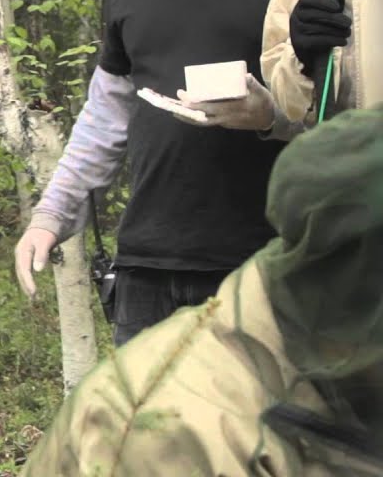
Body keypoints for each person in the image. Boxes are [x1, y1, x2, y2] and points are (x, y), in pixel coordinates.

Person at [13, 0, 301, 345]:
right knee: (145, 434)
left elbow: (345, 100)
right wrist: (51, 215)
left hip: (270, 264)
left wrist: (271, 112)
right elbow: (109, 111)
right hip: (148, 270)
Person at [22, 104, 383, 476]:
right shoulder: (175, 429)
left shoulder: (348, 364)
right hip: (156, 268)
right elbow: (103, 121)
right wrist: (51, 216)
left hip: (236, 265)